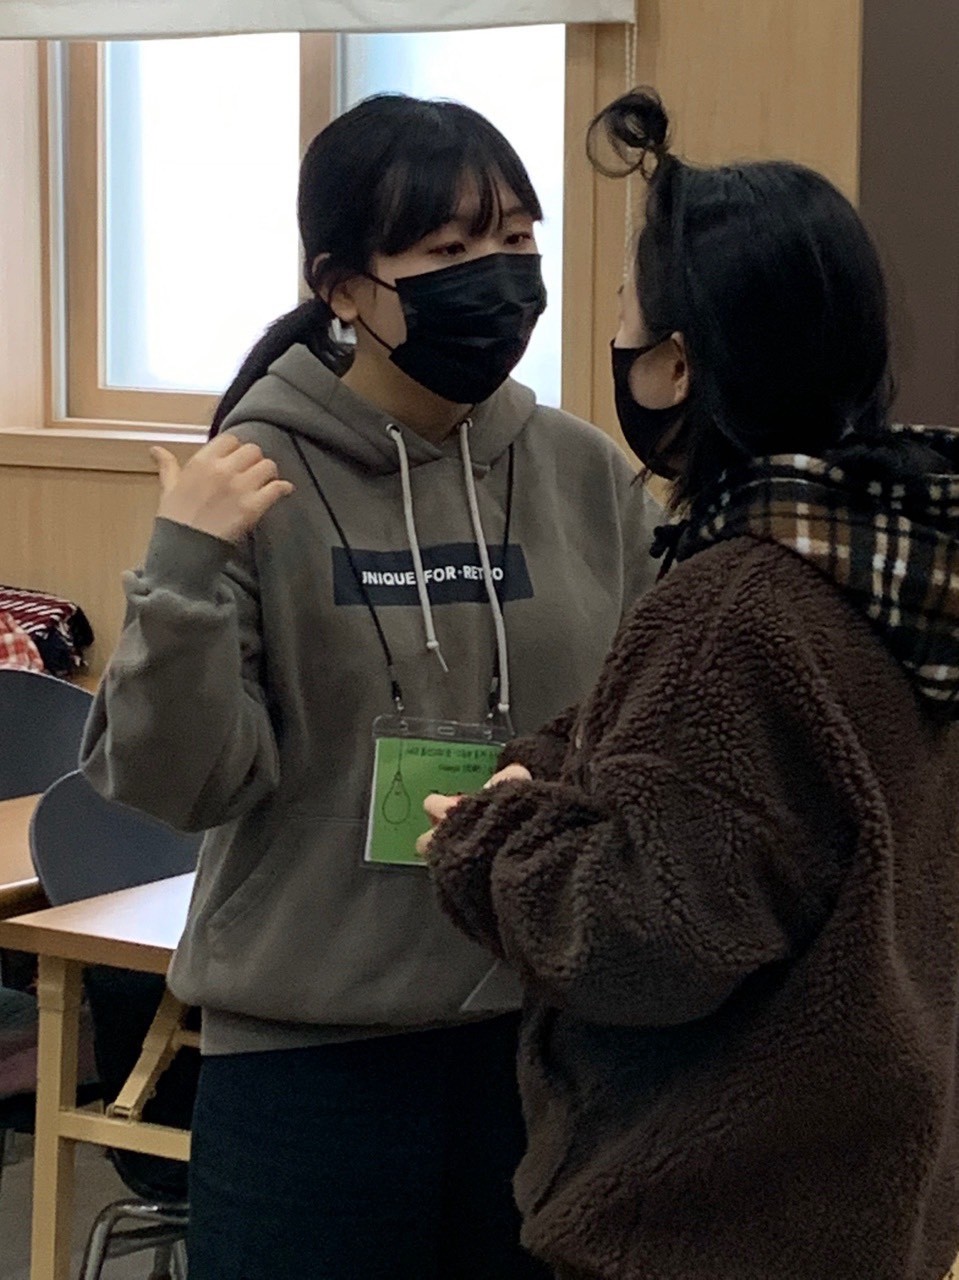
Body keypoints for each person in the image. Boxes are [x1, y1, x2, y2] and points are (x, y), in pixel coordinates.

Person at [80, 93, 657, 1280]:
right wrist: (180, 566)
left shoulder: (585, 474)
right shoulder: (251, 479)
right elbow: (178, 783)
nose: (497, 274)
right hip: (309, 1060)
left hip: (544, 1047)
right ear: (344, 287)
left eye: (515, 239)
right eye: (448, 249)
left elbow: (646, 727)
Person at [422, 88, 959, 1280]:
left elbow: (641, 933)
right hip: (867, 1184)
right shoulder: (889, 556)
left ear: (674, 363)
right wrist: (555, 766)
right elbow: (727, 795)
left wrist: (487, 837)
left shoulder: (734, 603)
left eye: (622, 309)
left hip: (713, 1214)